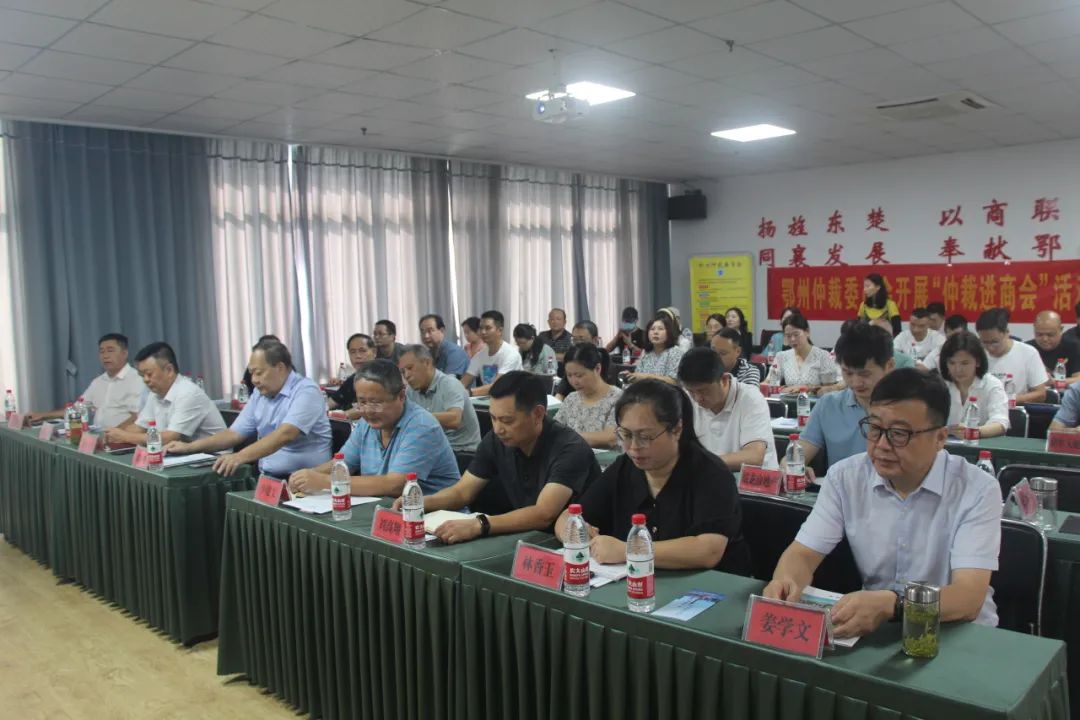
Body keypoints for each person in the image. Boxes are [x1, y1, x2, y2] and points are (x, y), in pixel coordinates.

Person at [764, 368, 1001, 637]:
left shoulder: (977, 490)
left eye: (899, 434)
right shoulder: (845, 477)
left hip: (957, 632)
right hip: (877, 626)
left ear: (940, 438)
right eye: (875, 429)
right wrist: (785, 581)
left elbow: (967, 598)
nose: (882, 445)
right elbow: (803, 554)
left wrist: (894, 605)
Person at [554, 379, 752, 575]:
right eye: (626, 435)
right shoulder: (624, 467)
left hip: (706, 587)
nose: (633, 447)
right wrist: (576, 534)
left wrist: (627, 550)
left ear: (677, 429)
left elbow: (708, 550)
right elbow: (569, 517)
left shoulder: (711, 474)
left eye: (645, 437)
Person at [402, 371, 600, 544]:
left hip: (576, 545)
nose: (497, 429)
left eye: (507, 420)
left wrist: (480, 525)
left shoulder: (570, 448)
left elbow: (544, 513)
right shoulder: (497, 440)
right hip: (526, 537)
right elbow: (462, 492)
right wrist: (422, 502)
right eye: (493, 418)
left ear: (538, 414)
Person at [287, 359, 457, 496]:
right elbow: (342, 464)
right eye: (362, 402)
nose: (368, 411)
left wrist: (323, 481)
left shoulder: (422, 426)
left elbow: (395, 485)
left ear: (401, 396)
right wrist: (305, 476)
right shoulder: (366, 424)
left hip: (433, 517)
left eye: (376, 402)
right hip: (385, 509)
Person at [165, 339, 330, 478]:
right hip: (267, 477)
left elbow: (285, 434)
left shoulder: (306, 391)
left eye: (259, 373)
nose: (254, 380)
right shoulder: (260, 394)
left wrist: (239, 457)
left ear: (280, 368)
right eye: (251, 373)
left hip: (306, 481)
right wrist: (189, 447)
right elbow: (234, 434)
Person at [792, 322, 895, 479]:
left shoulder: (908, 409)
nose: (855, 382)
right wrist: (793, 466)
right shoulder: (828, 405)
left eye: (864, 374)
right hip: (841, 491)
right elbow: (799, 452)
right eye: (848, 373)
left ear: (889, 366)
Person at [104, 342, 225, 447]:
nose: (145, 380)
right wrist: (114, 434)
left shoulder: (188, 393)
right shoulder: (155, 393)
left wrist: (125, 436)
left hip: (213, 458)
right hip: (181, 453)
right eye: (142, 375)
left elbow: (170, 437)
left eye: (149, 374)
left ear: (169, 370)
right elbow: (140, 427)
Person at [677, 348, 777, 470]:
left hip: (750, 479)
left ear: (723, 380)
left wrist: (701, 463)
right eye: (691, 391)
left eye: (704, 391)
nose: (698, 398)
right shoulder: (686, 399)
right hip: (707, 475)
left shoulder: (750, 398)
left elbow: (754, 457)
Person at [29, 333, 144, 429]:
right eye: (102, 351)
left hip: (123, 439)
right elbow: (76, 409)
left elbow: (138, 417)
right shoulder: (98, 382)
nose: (105, 356)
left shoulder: (136, 379)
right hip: (99, 436)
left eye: (110, 351)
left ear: (124, 353)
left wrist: (114, 434)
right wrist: (43, 415)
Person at [398, 345, 481, 453]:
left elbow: (455, 419)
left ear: (427, 363)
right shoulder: (410, 391)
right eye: (403, 371)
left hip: (462, 451)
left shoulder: (450, 384)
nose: (406, 375)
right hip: (434, 448)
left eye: (410, 368)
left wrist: (416, 417)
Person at [938, 331, 1008, 439]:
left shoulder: (991, 385)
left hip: (981, 445)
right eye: (952, 363)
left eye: (964, 363)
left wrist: (973, 432)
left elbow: (1000, 424)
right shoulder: (940, 385)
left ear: (978, 362)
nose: (958, 369)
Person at [975, 308, 1047, 404]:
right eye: (985, 342)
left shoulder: (1028, 353)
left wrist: (1008, 400)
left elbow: (1040, 394)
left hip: (1013, 408)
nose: (990, 348)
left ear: (1007, 332)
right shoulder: (976, 354)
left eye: (995, 342)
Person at [557, 343, 621, 449]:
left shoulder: (618, 398)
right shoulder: (572, 398)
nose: (574, 381)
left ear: (597, 369)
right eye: (569, 375)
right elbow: (556, 429)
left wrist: (568, 437)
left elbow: (611, 438)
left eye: (579, 375)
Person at [462, 310, 524, 397]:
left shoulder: (511, 355)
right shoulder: (480, 355)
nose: (483, 332)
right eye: (481, 328)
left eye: (488, 328)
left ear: (500, 330)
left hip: (513, 401)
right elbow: (464, 381)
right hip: (490, 400)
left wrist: (469, 392)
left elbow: (498, 386)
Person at [775, 314, 838, 393]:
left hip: (816, 400)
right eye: (788, 336)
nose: (792, 339)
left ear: (807, 332)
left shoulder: (823, 356)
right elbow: (770, 383)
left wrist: (808, 388)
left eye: (796, 334)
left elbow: (830, 390)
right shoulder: (781, 357)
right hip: (787, 400)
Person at [553, 321, 611, 399]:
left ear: (595, 340)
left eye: (582, 339)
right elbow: (561, 392)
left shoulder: (604, 360)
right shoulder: (573, 360)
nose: (577, 344)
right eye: (574, 340)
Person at [326, 333, 376, 420]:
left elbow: (371, 407)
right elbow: (334, 400)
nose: (357, 356)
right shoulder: (354, 378)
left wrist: (338, 415)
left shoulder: (384, 375)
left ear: (374, 352)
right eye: (353, 352)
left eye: (362, 351)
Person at [626, 313, 684, 385]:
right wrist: (630, 376)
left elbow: (674, 382)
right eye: (652, 329)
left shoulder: (675, 352)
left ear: (669, 333)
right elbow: (638, 375)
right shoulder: (646, 353)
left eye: (660, 329)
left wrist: (647, 377)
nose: (655, 332)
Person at [1028, 310, 1080, 385]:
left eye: (1050, 335)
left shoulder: (1073, 347)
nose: (1045, 339)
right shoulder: (1027, 349)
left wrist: (1054, 381)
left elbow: (1078, 379)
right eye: (1039, 334)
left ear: (1061, 329)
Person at [419, 314, 470, 378]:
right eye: (422, 332)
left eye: (430, 331)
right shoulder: (427, 354)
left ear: (442, 331)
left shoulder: (455, 353)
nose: (426, 336)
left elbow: (449, 382)